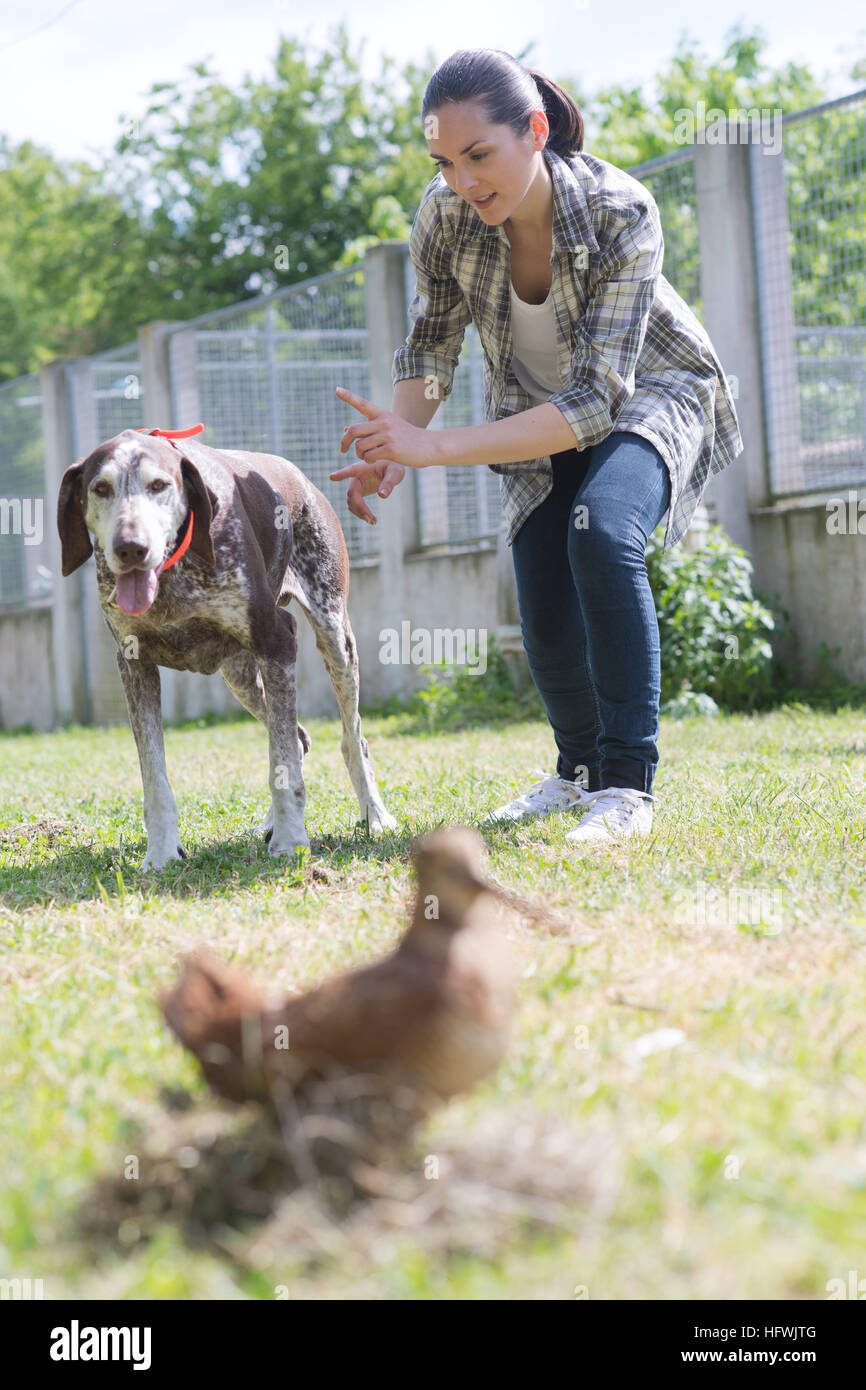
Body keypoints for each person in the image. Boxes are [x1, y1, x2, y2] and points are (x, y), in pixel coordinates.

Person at [330, 48, 742, 846]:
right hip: (531, 408)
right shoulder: (445, 214)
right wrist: (395, 439)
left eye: (479, 155)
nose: (462, 180)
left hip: (650, 391)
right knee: (544, 594)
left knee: (602, 531)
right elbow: (430, 347)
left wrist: (432, 448)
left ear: (536, 132)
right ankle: (576, 772)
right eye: (444, 161)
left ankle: (626, 786)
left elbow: (596, 402)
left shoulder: (622, 209)